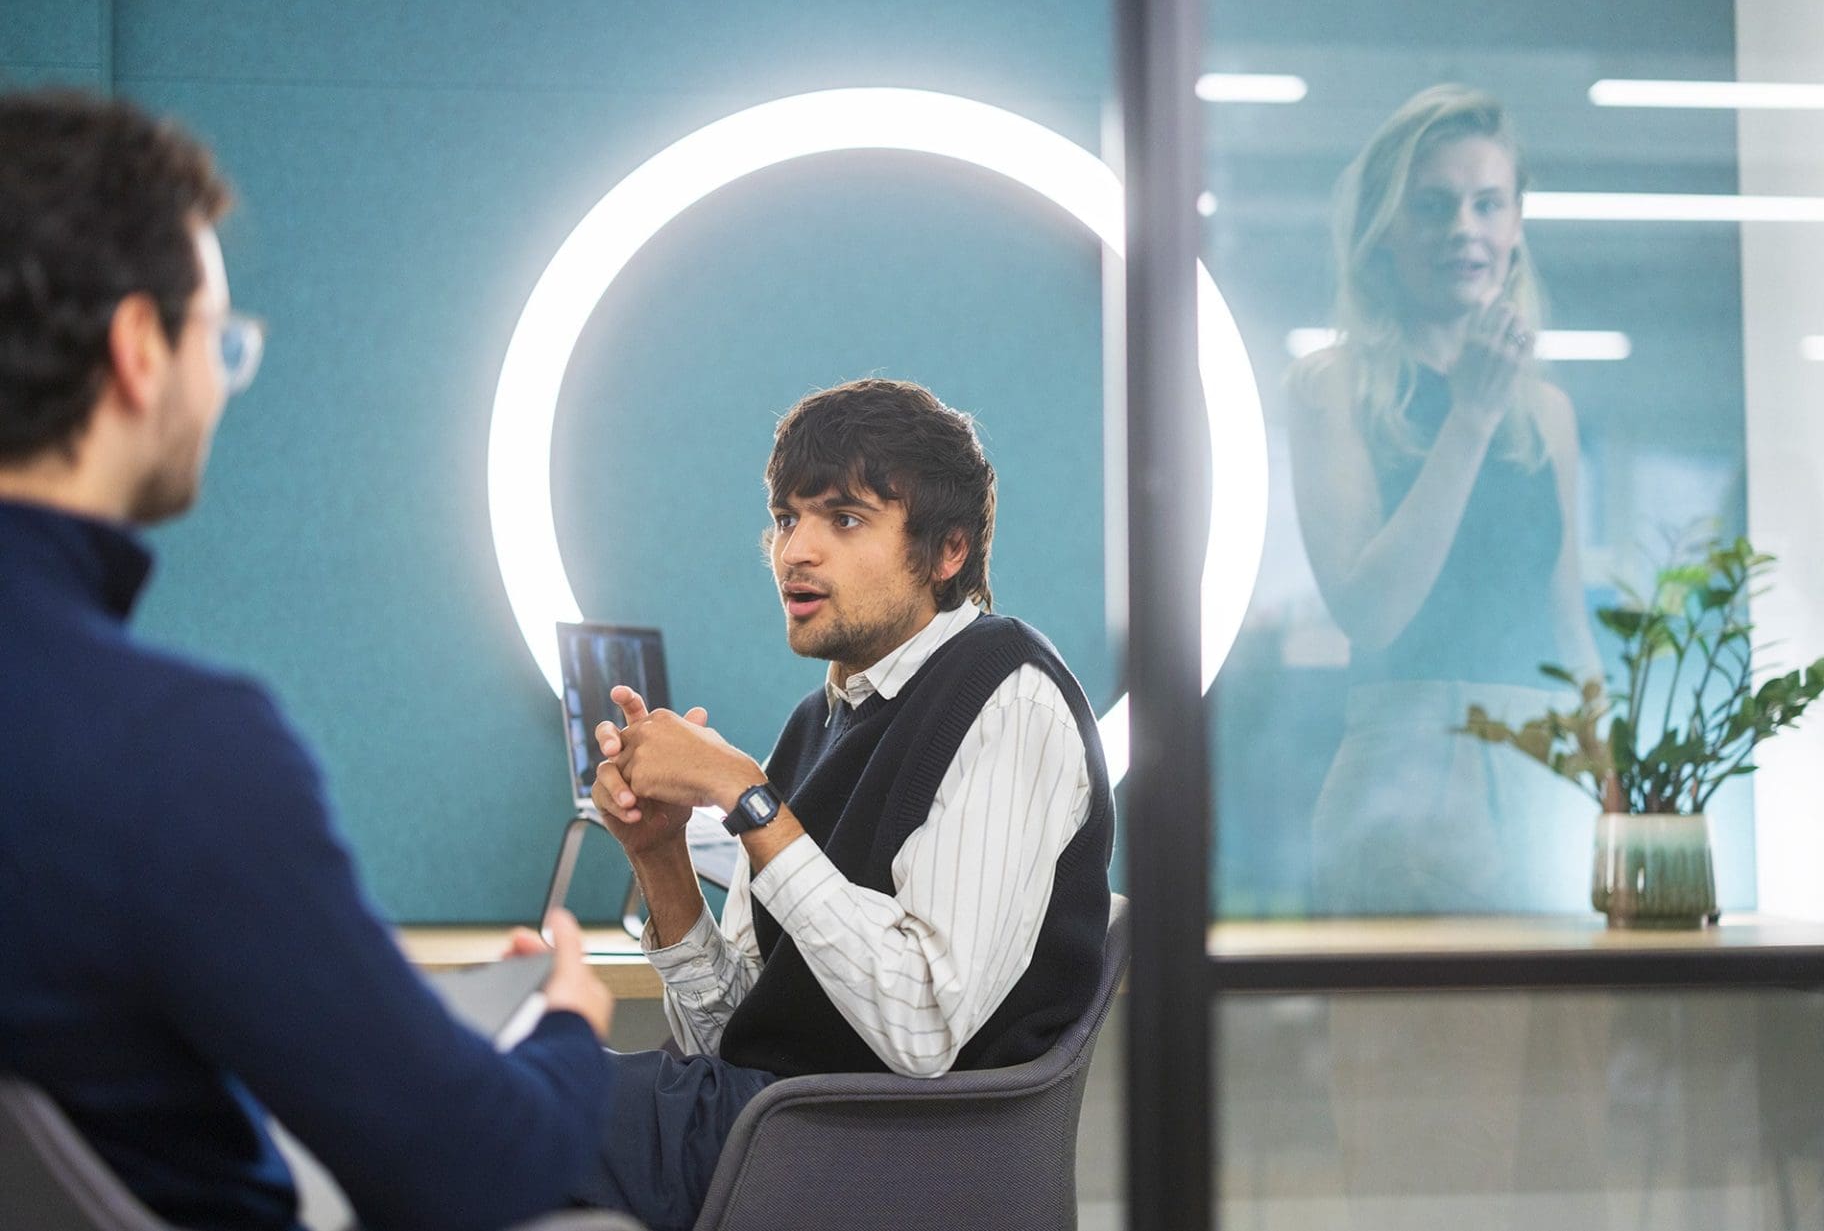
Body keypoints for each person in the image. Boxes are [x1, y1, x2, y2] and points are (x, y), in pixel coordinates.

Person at [0, 89, 616, 1231]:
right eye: (218, 342)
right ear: (139, 350)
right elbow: (480, 1168)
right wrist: (572, 1022)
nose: (222, 383)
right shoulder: (174, 756)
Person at [572, 378, 1115, 1230]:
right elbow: (732, 1038)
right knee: (489, 1089)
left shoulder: (1007, 696)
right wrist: (661, 857)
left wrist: (743, 796)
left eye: (844, 518)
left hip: (876, 1155)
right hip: (775, 1124)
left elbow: (924, 1027)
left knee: (488, 1101)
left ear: (947, 553)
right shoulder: (817, 724)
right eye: (788, 518)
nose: (797, 551)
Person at [1286, 85, 1602, 914]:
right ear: (1387, 231)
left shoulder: (1548, 413)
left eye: (1487, 203)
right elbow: (1372, 611)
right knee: (1423, 1044)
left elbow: (1567, 623)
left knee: (1563, 1044)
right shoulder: (1336, 387)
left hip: (1551, 774)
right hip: (1410, 777)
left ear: (1516, 227)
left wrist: (1620, 783)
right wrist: (1470, 418)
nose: (1465, 227)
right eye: (1433, 206)